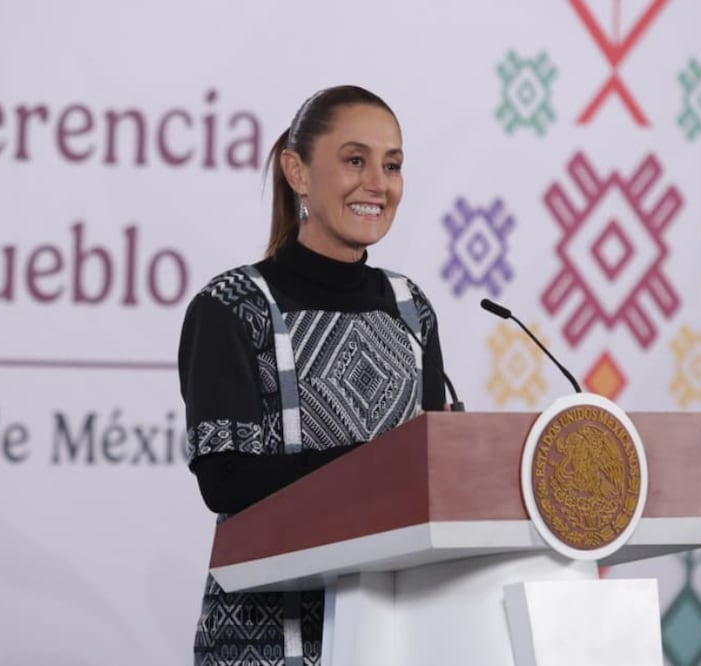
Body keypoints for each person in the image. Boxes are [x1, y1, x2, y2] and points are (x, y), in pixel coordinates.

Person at [177, 84, 450, 666]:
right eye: (355, 160)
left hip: (397, 639)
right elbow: (227, 481)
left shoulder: (412, 309)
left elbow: (435, 473)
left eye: (392, 165)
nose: (377, 183)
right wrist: (389, 463)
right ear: (297, 172)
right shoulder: (232, 307)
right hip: (268, 645)